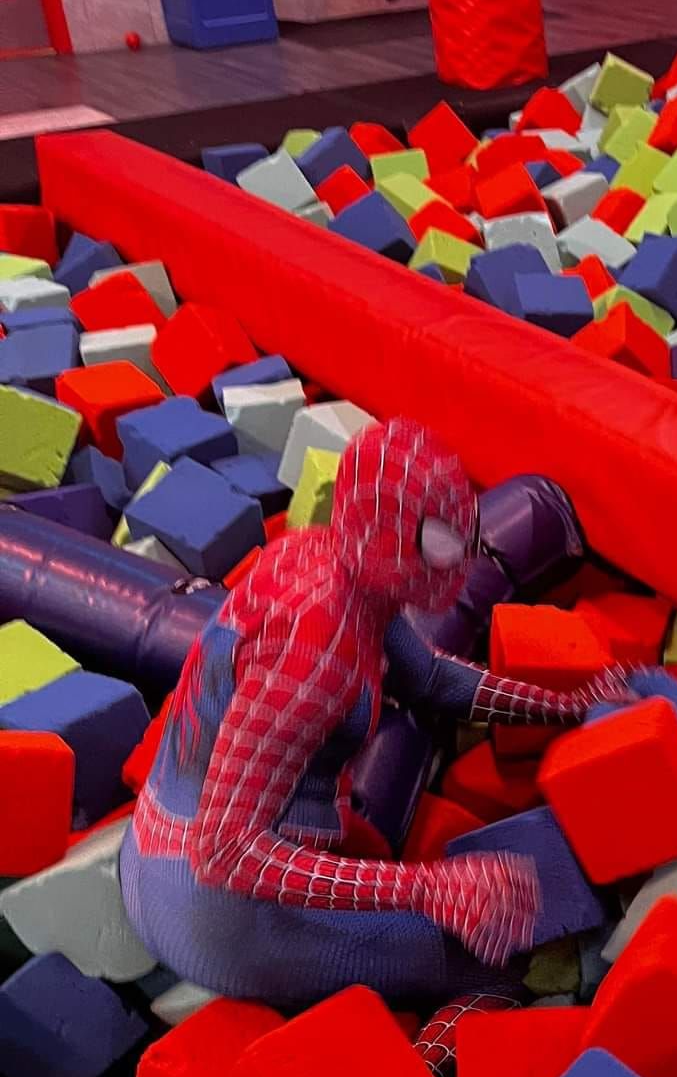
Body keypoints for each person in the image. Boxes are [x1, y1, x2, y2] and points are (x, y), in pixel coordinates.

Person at [121, 418, 632, 1025]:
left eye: (462, 535)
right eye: (441, 543)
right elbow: (229, 853)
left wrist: (565, 705)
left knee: (404, 875)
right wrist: (430, 889)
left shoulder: (321, 558)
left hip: (160, 849)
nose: (461, 561)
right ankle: (427, 1062)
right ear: (387, 536)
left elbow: (433, 678)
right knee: (491, 964)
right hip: (207, 911)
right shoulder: (315, 649)